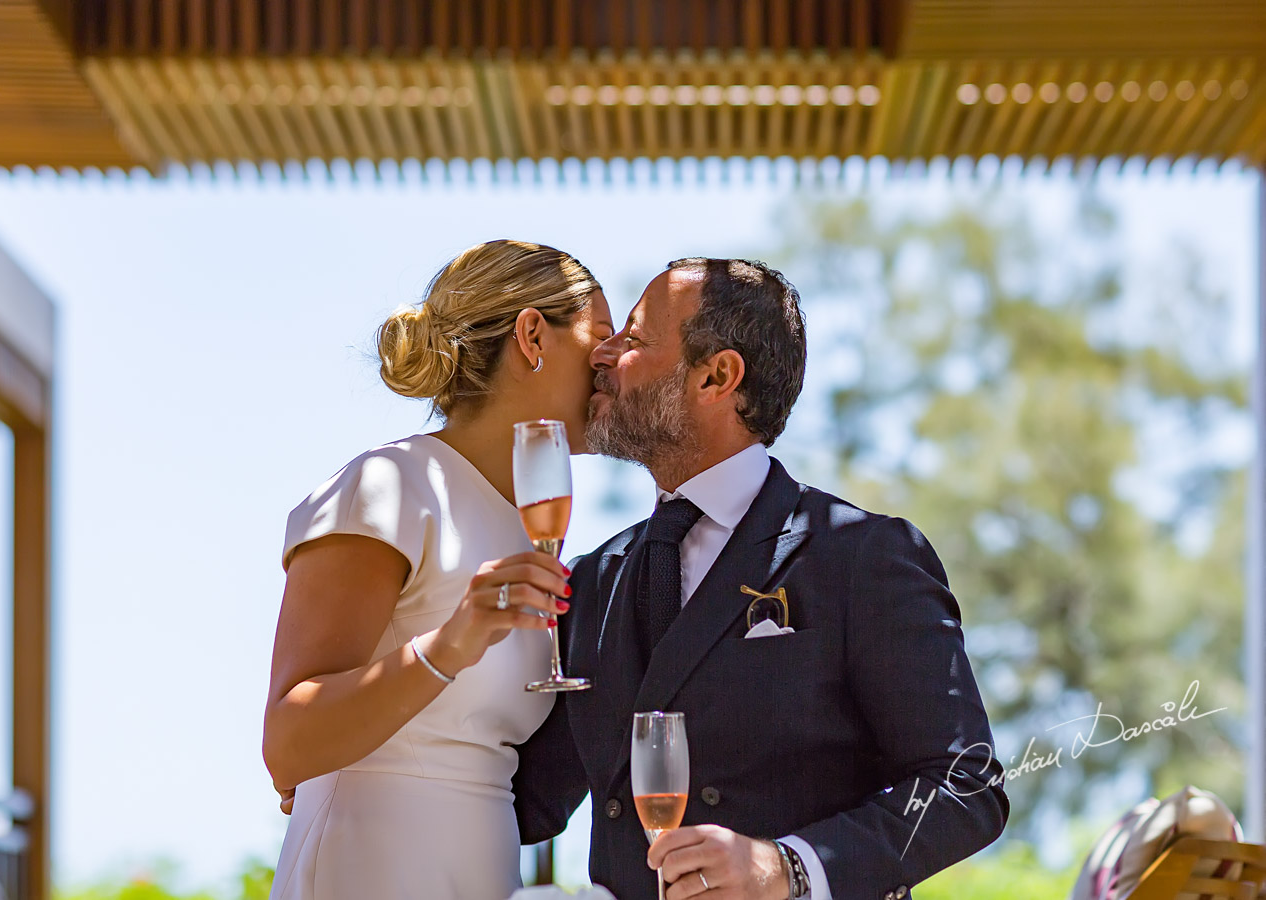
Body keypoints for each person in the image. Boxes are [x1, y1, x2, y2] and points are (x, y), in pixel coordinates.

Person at [514, 259, 1008, 900]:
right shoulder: (593, 581)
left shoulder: (860, 556)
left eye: (632, 341)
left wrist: (788, 868)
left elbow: (965, 787)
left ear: (716, 376)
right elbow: (524, 803)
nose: (601, 355)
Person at [263, 239, 616, 900]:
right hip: (368, 865)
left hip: (479, 866)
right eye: (599, 338)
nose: (610, 363)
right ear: (533, 335)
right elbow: (289, 741)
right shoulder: (386, 486)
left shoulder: (528, 525)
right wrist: (448, 646)